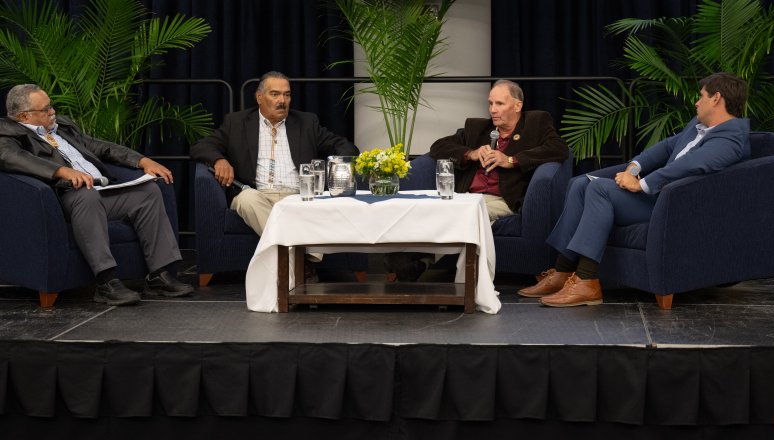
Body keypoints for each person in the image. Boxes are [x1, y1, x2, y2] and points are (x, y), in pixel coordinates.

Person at [519, 72, 750, 307]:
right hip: (658, 199)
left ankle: (587, 281)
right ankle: (562, 271)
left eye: (701, 96)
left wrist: (640, 184)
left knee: (599, 189)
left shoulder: (731, 138)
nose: (696, 102)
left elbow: (689, 165)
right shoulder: (699, 125)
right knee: (581, 184)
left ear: (716, 99)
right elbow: (666, 146)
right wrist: (635, 166)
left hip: (673, 207)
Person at [0, 84, 193, 306]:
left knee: (147, 193)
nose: (52, 111)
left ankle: (159, 276)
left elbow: (98, 146)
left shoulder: (61, 126)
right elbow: (10, 157)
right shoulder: (7, 132)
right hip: (60, 198)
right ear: (25, 116)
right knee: (87, 196)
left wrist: (141, 160)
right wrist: (61, 171)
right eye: (46, 109)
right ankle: (106, 282)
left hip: (98, 190)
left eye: (51, 105)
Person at [386, 79, 569, 281]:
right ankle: (424, 262)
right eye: (490, 103)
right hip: (467, 196)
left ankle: (447, 274)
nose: (493, 110)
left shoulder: (536, 123)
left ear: (518, 105)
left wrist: (511, 160)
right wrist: (470, 154)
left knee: (470, 214)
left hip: (503, 198)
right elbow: (439, 146)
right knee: (455, 211)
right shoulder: (477, 128)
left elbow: (559, 149)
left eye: (499, 104)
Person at [190, 71, 358, 237]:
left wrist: (337, 169)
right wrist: (219, 160)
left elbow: (344, 146)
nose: (282, 101)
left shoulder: (306, 123)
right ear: (259, 97)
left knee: (312, 207)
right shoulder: (237, 123)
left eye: (287, 95)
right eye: (275, 94)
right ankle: (301, 254)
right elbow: (200, 146)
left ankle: (287, 258)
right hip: (258, 196)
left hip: (298, 196)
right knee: (246, 199)